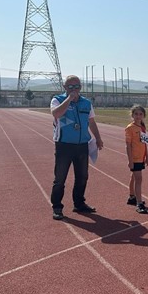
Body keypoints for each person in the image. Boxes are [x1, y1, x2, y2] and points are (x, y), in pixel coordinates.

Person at [50, 75, 103, 220]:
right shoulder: (57, 100)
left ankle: (79, 203)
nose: (74, 89)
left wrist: (98, 138)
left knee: (82, 177)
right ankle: (57, 207)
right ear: (65, 87)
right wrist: (69, 99)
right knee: (60, 178)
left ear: (81, 87)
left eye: (77, 86)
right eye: (70, 86)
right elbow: (56, 114)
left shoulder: (86, 103)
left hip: (82, 145)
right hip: (64, 145)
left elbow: (91, 122)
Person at [125, 105, 148, 214]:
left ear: (144, 115)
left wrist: (147, 156)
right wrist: (130, 161)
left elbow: (144, 144)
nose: (138, 116)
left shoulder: (143, 127)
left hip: (141, 157)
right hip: (134, 157)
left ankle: (132, 197)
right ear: (132, 115)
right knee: (138, 179)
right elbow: (128, 145)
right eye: (136, 114)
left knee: (134, 177)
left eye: (140, 114)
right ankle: (139, 203)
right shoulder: (130, 128)